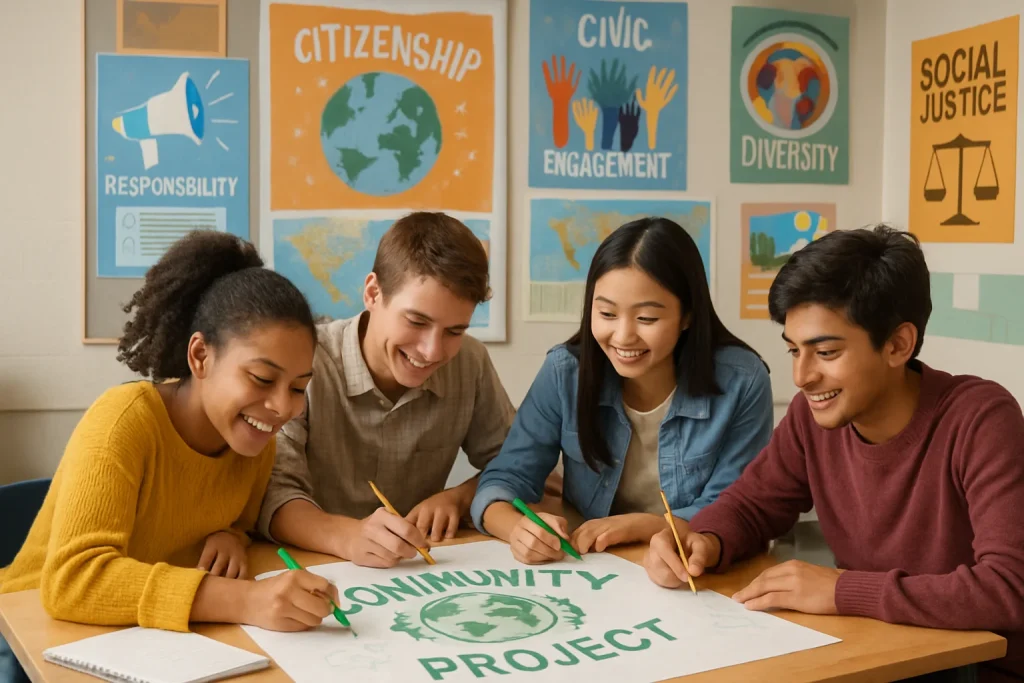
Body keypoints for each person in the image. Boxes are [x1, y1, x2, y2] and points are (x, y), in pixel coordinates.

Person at [642, 225, 1024, 683]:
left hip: (976, 669)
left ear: (898, 344)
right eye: (793, 350)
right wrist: (704, 540)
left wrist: (845, 590)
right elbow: (751, 506)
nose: (802, 377)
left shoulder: (981, 418)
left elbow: (1008, 588)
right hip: (878, 656)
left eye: (825, 351)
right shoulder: (814, 417)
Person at [0, 232, 343, 682]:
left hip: (144, 643)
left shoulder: (254, 437)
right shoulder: (124, 421)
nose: (284, 407)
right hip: (32, 644)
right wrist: (245, 601)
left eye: (299, 387)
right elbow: (74, 580)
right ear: (200, 356)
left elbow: (229, 517)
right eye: (262, 378)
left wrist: (231, 535)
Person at [471, 216, 774, 564]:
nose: (623, 337)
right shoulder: (565, 372)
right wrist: (516, 528)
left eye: (646, 318)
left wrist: (645, 527)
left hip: (692, 566)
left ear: (687, 315)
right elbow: (506, 477)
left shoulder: (742, 380)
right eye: (607, 313)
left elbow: (734, 509)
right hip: (593, 567)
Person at [259, 212, 545, 568]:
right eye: (416, 321)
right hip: (311, 565)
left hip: (415, 572)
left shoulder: (470, 362)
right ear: (373, 293)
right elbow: (274, 493)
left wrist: (457, 498)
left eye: (454, 331)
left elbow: (516, 463)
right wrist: (346, 536)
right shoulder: (306, 361)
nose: (432, 351)